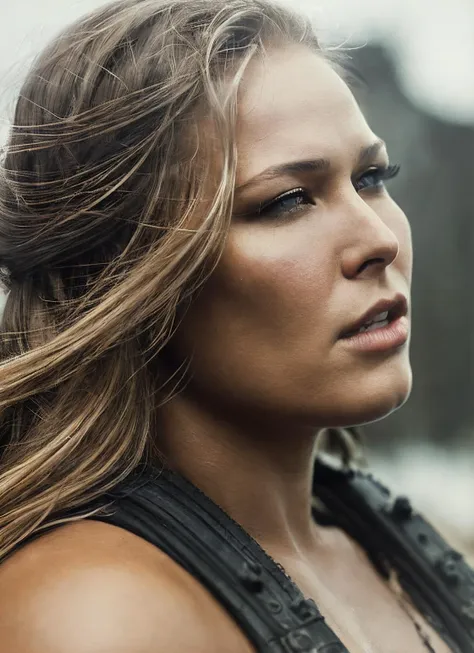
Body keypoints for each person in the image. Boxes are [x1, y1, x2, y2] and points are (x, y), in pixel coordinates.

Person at [0, 1, 472, 651]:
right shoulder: (99, 614)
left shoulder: (385, 547)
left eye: (371, 177)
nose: (378, 238)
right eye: (285, 201)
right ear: (128, 274)